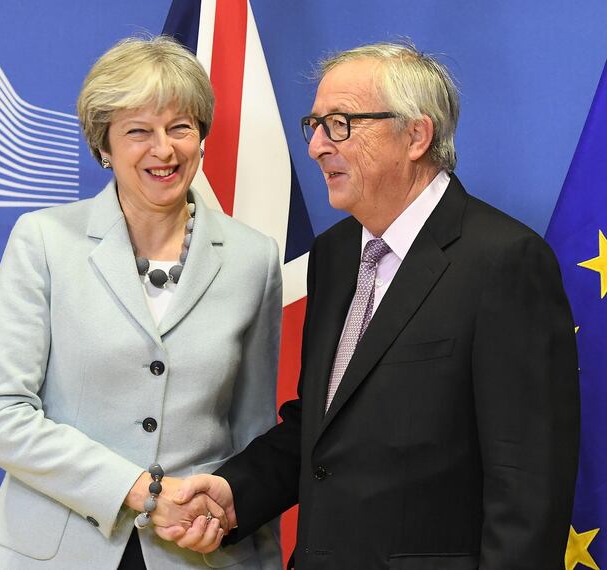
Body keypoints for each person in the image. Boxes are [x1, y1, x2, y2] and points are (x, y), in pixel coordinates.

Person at [166, 41, 580, 569]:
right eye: (313, 125)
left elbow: (528, 487)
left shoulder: (505, 261)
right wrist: (235, 493)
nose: (316, 146)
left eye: (339, 124)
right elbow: (324, 428)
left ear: (416, 135)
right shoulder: (336, 254)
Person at [0, 36, 283, 569]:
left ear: (202, 136)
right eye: (139, 132)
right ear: (104, 147)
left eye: (180, 127)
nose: (164, 150)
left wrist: (253, 549)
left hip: (196, 555)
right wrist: (140, 490)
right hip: (52, 551)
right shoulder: (44, 240)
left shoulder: (254, 258)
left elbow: (253, 441)